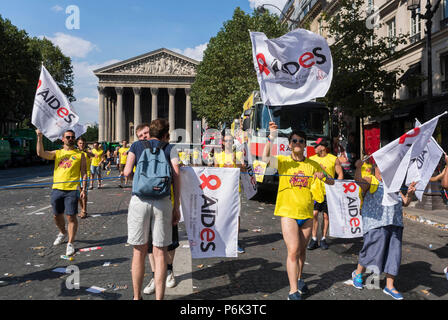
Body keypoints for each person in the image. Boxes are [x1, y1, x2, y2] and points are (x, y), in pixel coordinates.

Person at [263, 122, 333, 300]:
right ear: (289, 144)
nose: (297, 143)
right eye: (294, 140)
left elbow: (331, 181)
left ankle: (300, 278)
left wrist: (323, 175)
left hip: (307, 214)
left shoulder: (312, 164)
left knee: (302, 250)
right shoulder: (284, 162)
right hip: (288, 212)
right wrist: (271, 136)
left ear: (305, 145)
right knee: (293, 250)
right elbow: (265, 159)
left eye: (301, 141)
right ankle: (293, 291)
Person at [124, 119, 181, 300]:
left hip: (140, 200)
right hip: (163, 201)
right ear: (166, 134)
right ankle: (159, 298)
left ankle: (136, 296)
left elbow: (126, 172)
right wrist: (176, 205)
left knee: (138, 251)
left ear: (151, 131)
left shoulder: (136, 146)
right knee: (160, 252)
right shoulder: (170, 148)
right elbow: (176, 174)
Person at [351, 159, 416, 300]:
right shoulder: (372, 180)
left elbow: (405, 202)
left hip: (395, 224)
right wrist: (358, 167)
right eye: (382, 168)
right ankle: (357, 273)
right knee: (371, 251)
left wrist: (410, 194)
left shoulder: (395, 185)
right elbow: (359, 181)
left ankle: (390, 286)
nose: (385, 171)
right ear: (375, 168)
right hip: (376, 223)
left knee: (394, 255)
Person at [35, 129, 87, 256]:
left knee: (71, 216)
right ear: (62, 139)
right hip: (57, 189)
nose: (71, 139)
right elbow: (40, 153)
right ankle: (63, 232)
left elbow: (84, 173)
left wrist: (84, 189)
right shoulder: (58, 153)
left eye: (72, 137)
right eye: (68, 137)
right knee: (56, 215)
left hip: (72, 190)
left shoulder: (80, 155)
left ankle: (70, 243)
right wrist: (40, 137)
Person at [142, 123, 180, 295]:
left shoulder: (169, 149)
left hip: (166, 200)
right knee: (151, 243)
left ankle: (169, 271)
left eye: (146, 134)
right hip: (146, 202)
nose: (144, 138)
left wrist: (176, 205)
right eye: (141, 135)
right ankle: (155, 275)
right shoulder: (139, 149)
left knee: (169, 241)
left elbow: (178, 174)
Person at [308, 138, 344, 250]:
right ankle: (314, 239)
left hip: (328, 192)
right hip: (315, 192)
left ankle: (323, 238)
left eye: (316, 146)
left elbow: (340, 174)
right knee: (314, 214)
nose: (314, 148)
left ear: (323, 147)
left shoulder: (333, 159)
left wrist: (338, 189)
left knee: (326, 216)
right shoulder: (311, 159)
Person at [214, 131, 245, 253]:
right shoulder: (218, 156)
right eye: (226, 140)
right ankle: (221, 241)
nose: (228, 143)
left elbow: (243, 168)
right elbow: (215, 174)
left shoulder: (238, 154)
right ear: (222, 142)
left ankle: (235, 242)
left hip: (235, 190)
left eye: (230, 141)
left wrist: (235, 161)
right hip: (222, 191)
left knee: (236, 216)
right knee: (221, 216)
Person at [77, 137, 93, 219]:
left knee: (84, 193)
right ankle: (82, 209)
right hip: (77, 175)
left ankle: (84, 210)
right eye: (80, 143)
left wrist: (87, 152)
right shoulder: (75, 152)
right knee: (78, 194)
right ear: (77, 144)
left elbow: (94, 155)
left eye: (83, 143)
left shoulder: (87, 152)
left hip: (86, 174)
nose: (81, 145)